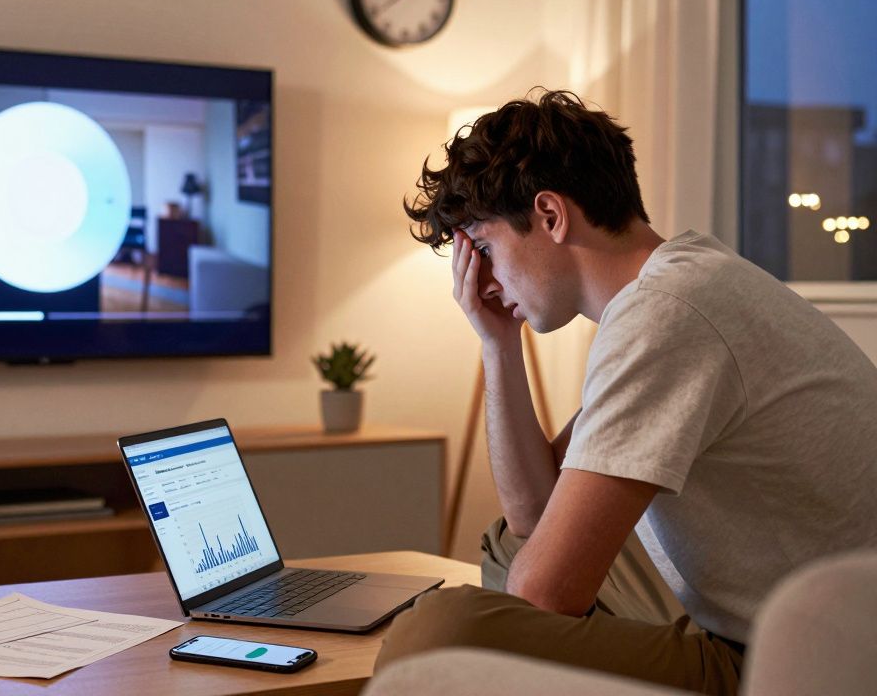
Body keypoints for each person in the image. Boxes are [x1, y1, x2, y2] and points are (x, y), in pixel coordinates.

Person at [373, 89, 877, 695]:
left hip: (809, 661)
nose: (482, 280)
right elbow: (532, 517)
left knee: (435, 634)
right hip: (789, 616)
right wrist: (498, 344)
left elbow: (544, 594)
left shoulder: (667, 314)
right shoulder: (680, 283)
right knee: (510, 546)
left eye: (483, 249)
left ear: (551, 216)